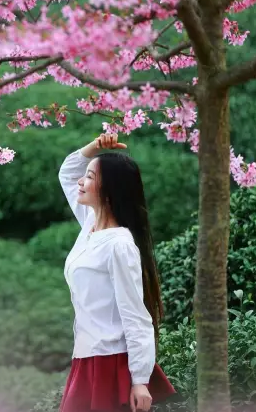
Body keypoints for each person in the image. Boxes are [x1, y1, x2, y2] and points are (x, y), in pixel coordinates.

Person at [57, 133, 176, 412]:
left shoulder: (119, 244)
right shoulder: (90, 225)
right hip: (86, 356)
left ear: (109, 190)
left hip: (110, 361)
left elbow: (136, 315)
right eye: (85, 175)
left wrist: (139, 380)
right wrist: (95, 148)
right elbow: (67, 172)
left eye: (89, 177)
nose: (80, 182)